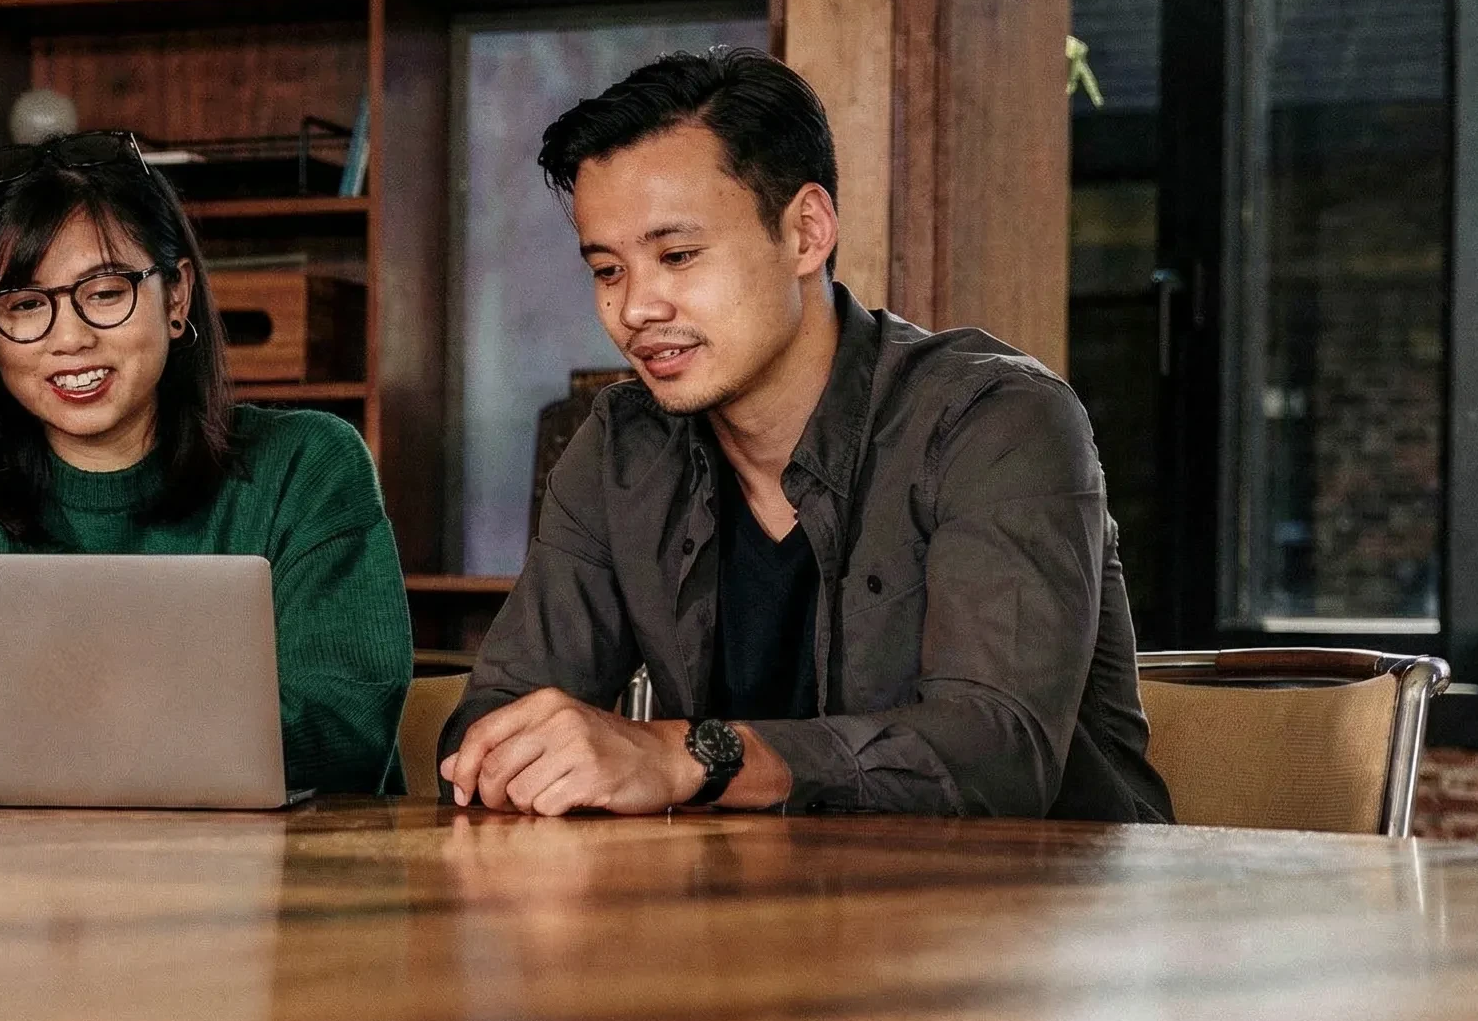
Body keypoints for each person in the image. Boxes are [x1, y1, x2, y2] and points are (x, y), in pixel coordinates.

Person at [439, 48, 1172, 822]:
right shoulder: (622, 449)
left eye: (678, 256)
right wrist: (517, 753)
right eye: (608, 270)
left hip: (1033, 917)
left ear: (806, 231)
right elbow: (491, 721)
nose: (635, 309)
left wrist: (693, 757)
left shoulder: (997, 419)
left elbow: (997, 755)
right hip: (765, 921)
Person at [0, 131, 411, 794]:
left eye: (105, 292)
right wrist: (172, 736)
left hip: (275, 878)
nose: (70, 338)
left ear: (177, 296)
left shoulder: (308, 464)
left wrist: (22, 738)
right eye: (24, 304)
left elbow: (342, 730)